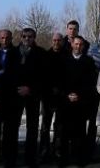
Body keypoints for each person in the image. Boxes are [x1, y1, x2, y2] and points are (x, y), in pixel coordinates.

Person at [0, 27, 46, 168]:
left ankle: (30, 159)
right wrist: (16, 89)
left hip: (32, 95)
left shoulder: (40, 53)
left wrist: (30, 89)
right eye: (24, 36)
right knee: (11, 128)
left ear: (34, 38)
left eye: (30, 36)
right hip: (14, 95)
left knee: (32, 129)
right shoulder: (12, 53)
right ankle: (10, 159)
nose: (27, 39)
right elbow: (7, 75)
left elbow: (42, 76)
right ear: (20, 37)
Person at [58, 36, 97, 167]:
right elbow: (60, 82)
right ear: (72, 45)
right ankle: (64, 159)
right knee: (64, 132)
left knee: (80, 133)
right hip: (65, 102)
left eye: (80, 44)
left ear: (83, 46)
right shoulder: (64, 60)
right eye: (76, 44)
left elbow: (91, 83)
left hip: (81, 102)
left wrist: (79, 95)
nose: (78, 46)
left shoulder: (89, 61)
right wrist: (67, 95)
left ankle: (80, 158)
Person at [39, 32, 65, 163]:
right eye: (54, 40)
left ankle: (57, 149)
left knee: (59, 125)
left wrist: (60, 89)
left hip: (61, 96)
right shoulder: (45, 55)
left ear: (62, 41)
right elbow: (42, 76)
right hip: (47, 96)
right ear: (51, 41)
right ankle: (44, 149)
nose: (56, 42)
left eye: (59, 40)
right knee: (45, 125)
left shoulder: (66, 56)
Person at [0, 29, 15, 159]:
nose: (5, 40)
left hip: (10, 95)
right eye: (2, 38)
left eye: (7, 38)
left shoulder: (16, 53)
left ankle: (7, 154)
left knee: (9, 129)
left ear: (11, 38)